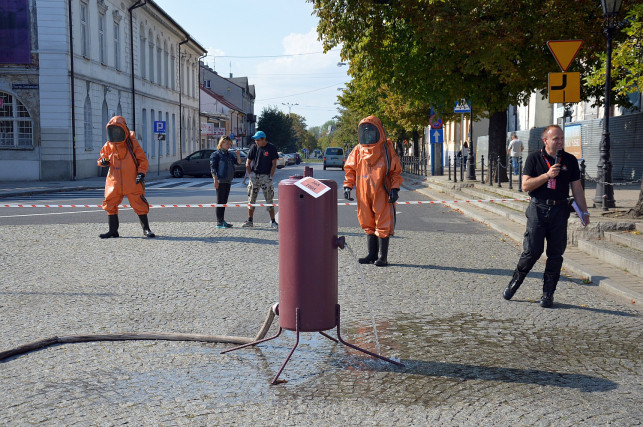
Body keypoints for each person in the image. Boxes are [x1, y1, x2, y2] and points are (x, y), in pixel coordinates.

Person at [503, 125, 590, 308]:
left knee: (555, 254)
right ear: (546, 141)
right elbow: (526, 185)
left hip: (560, 211)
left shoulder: (570, 160)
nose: (559, 142)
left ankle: (548, 294)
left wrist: (584, 211)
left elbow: (577, 188)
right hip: (538, 209)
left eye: (561, 138)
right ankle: (514, 283)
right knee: (532, 251)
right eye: (555, 139)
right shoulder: (534, 158)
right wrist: (547, 175)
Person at [343, 116, 403, 267]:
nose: (368, 134)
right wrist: (347, 186)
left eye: (371, 131)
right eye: (365, 131)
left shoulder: (386, 149)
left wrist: (395, 189)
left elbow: (395, 171)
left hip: (382, 191)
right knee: (367, 221)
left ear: (379, 131)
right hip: (363, 192)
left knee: (383, 223)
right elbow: (350, 169)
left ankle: (383, 257)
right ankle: (372, 254)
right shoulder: (358, 150)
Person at [97, 115, 155, 238]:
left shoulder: (132, 143)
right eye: (113, 130)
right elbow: (102, 157)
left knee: (139, 203)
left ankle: (146, 229)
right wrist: (103, 162)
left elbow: (142, 160)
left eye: (118, 130)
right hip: (114, 181)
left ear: (124, 129)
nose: (115, 133)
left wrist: (141, 173)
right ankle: (113, 230)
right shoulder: (109, 144)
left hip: (131, 179)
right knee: (110, 203)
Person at [243, 130, 279, 229]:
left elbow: (274, 164)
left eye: (258, 140)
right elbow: (248, 162)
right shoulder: (254, 147)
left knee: (269, 198)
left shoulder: (271, 148)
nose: (256, 142)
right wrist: (251, 175)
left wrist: (270, 177)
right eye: (255, 140)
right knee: (251, 198)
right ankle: (250, 220)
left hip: (266, 176)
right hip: (255, 175)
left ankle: (273, 221)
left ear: (264, 139)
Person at [210, 135, 241, 228]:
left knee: (224, 201)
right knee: (220, 201)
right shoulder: (216, 154)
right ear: (221, 143)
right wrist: (215, 180)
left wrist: (238, 155)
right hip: (220, 180)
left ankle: (222, 220)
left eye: (229, 144)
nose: (228, 145)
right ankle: (219, 222)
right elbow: (213, 168)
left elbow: (238, 163)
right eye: (226, 143)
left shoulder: (230, 154)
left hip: (228, 180)